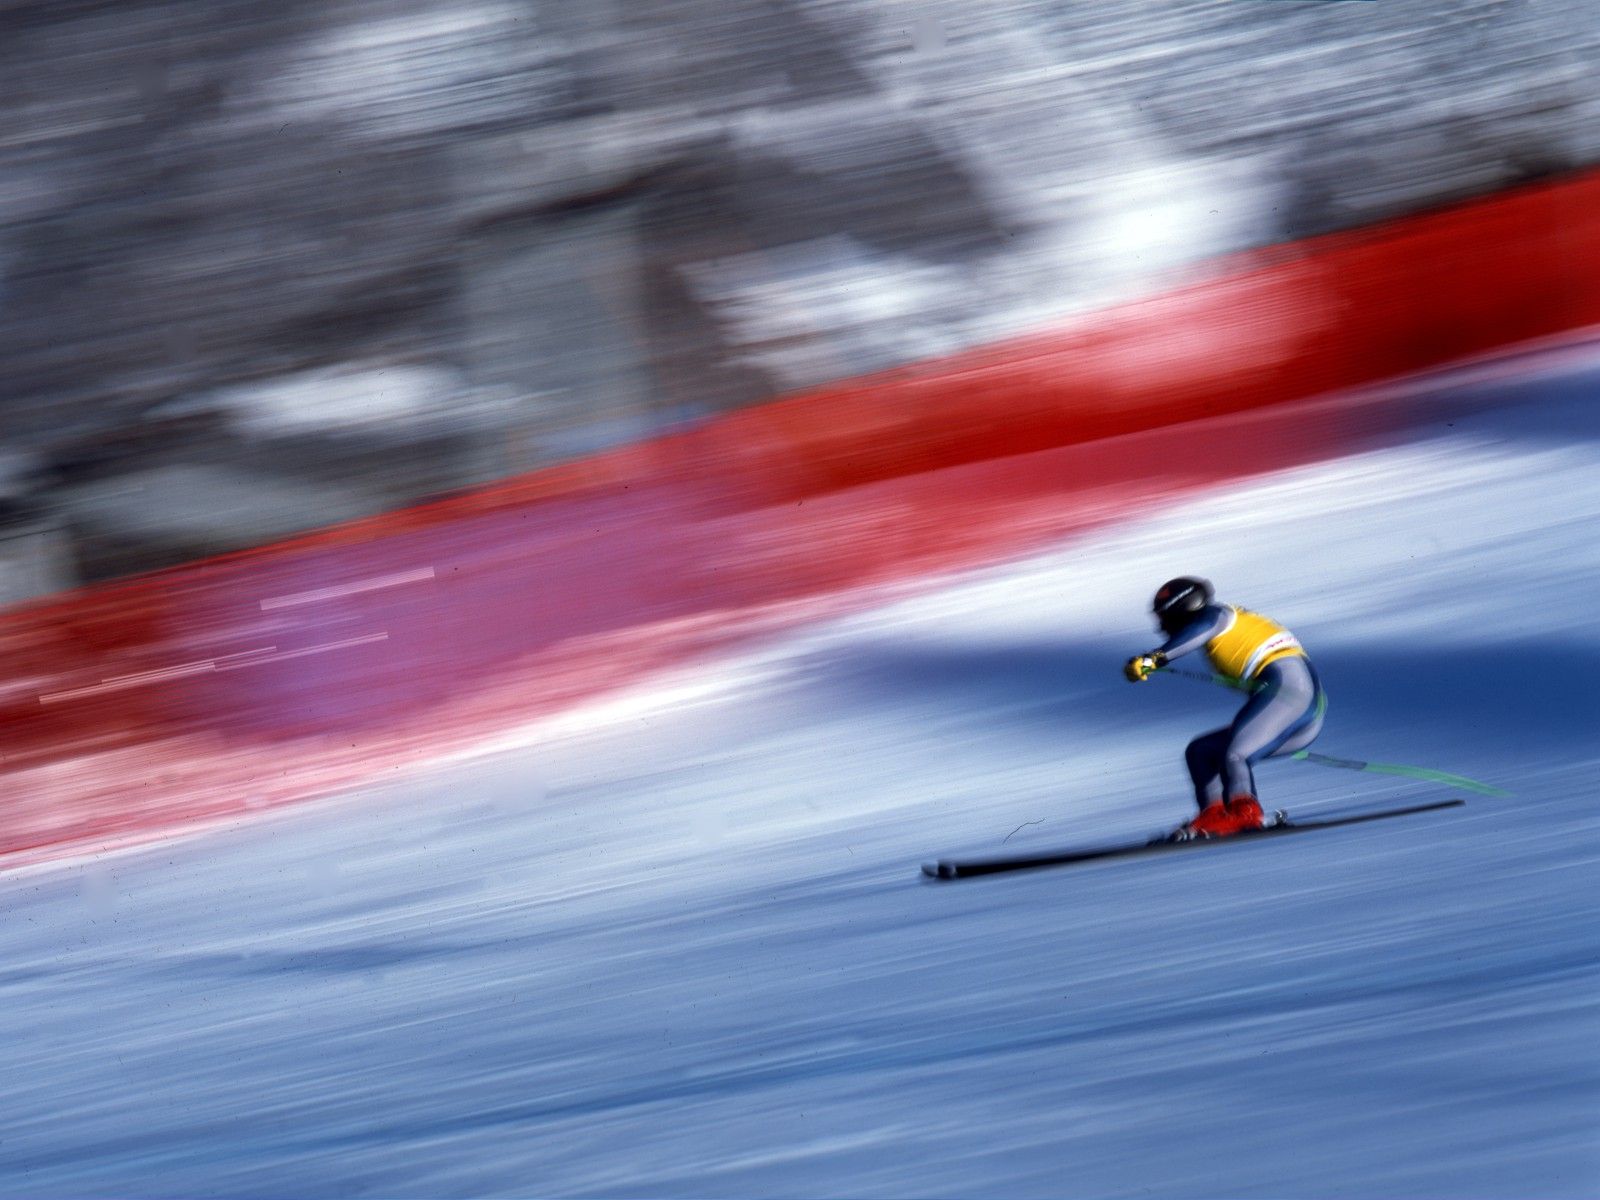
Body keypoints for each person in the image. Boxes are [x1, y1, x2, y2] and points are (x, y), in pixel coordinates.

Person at [1124, 576, 1326, 840]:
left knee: (1235, 755)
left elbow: (1199, 629)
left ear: (1181, 610)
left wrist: (1154, 658)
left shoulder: (1216, 615)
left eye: (1164, 618)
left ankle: (1246, 814)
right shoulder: (1220, 626)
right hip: (1294, 706)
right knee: (1202, 752)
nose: (1161, 627)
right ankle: (1215, 815)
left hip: (1291, 694)